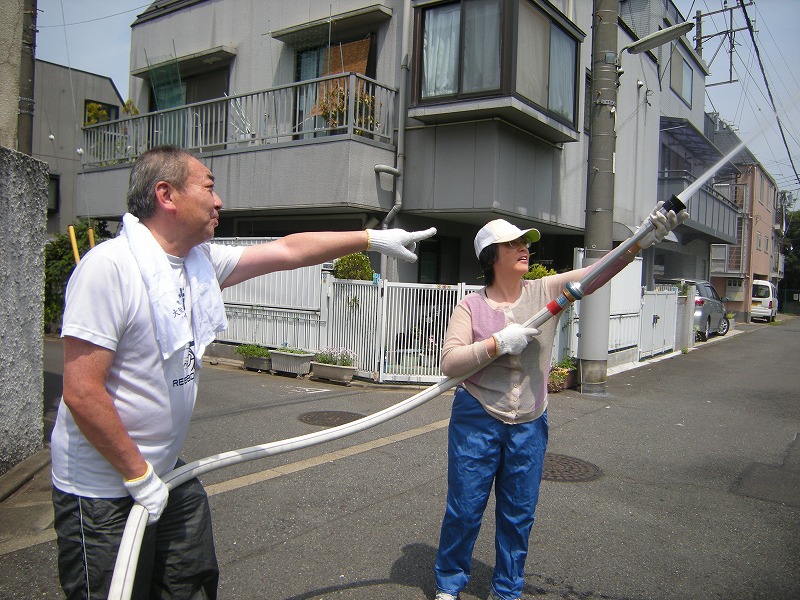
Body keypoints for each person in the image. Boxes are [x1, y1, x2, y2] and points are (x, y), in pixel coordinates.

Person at [49, 145, 436, 600]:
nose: (219, 201)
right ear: (166, 195)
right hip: (103, 488)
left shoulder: (198, 264)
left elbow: (288, 250)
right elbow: (82, 391)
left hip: (163, 472)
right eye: (208, 187)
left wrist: (370, 239)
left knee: (190, 581)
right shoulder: (109, 269)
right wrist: (137, 475)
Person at [433, 207, 687, 600]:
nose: (524, 248)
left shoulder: (545, 291)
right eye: (513, 244)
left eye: (525, 243)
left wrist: (639, 242)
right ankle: (449, 583)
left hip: (530, 420)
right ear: (491, 256)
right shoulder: (471, 306)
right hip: (477, 415)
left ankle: (507, 590)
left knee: (519, 513)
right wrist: (497, 343)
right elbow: (450, 362)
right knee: (465, 508)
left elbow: (596, 274)